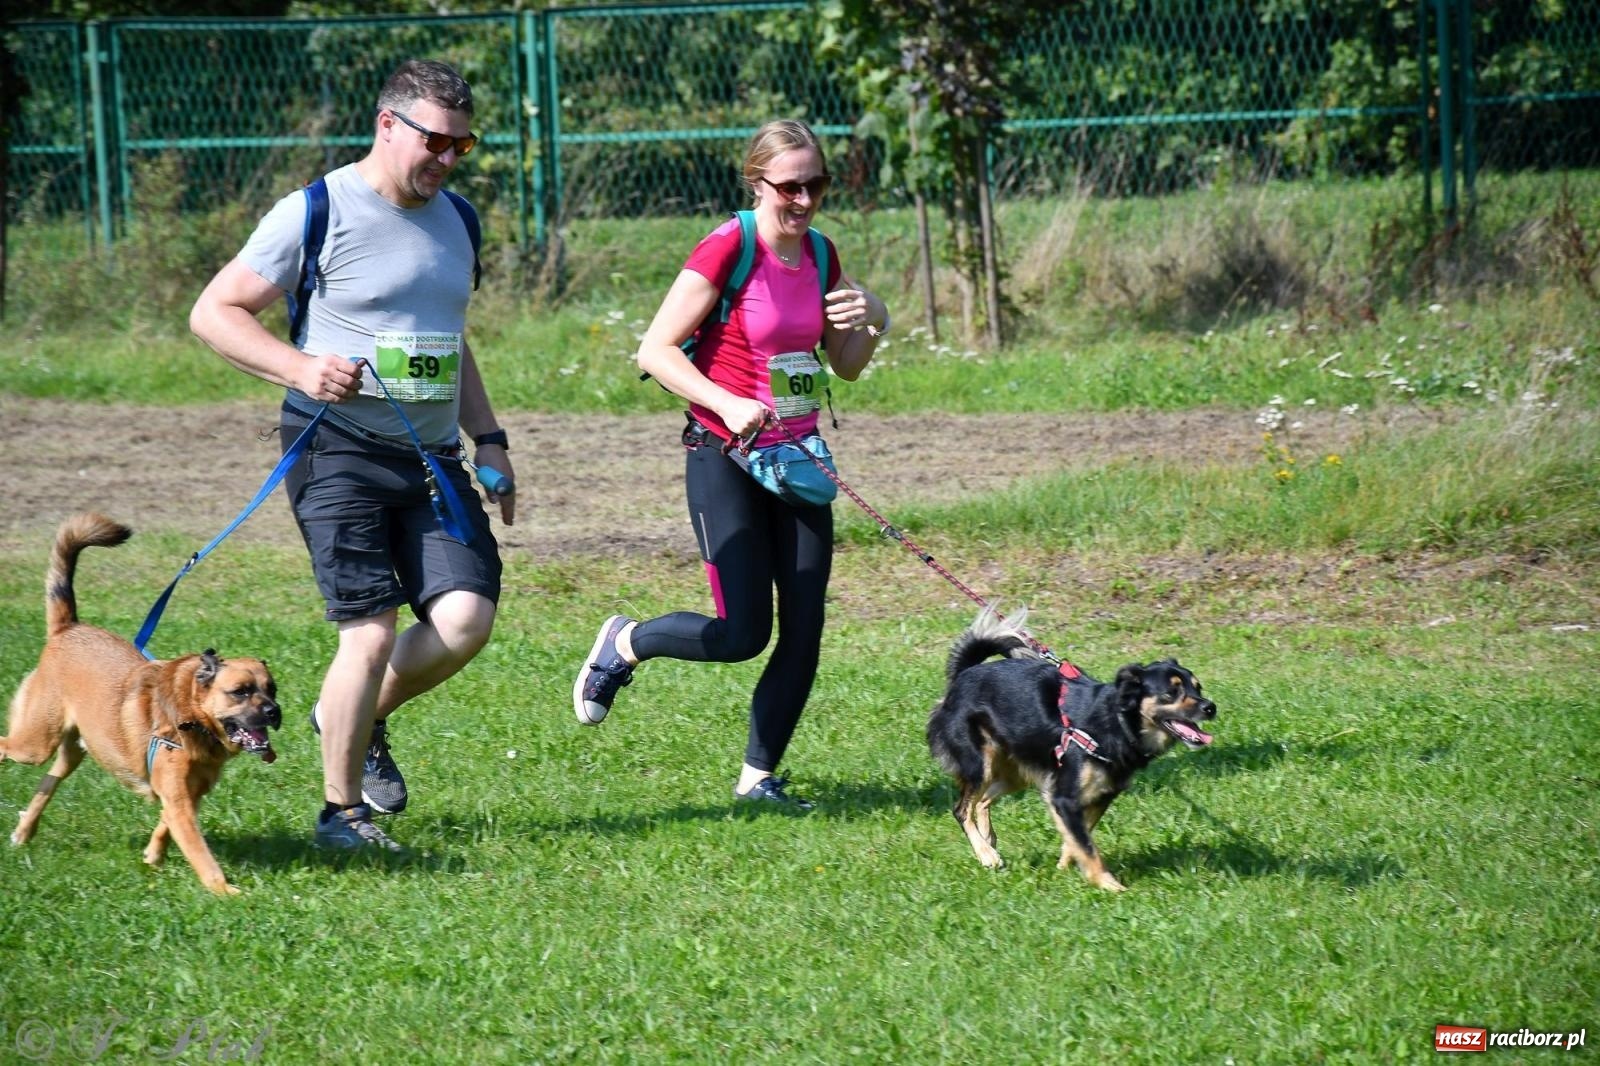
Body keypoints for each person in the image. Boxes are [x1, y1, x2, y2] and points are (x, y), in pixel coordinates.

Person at [189, 59, 514, 851]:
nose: (445, 158)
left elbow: (449, 341)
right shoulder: (316, 209)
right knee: (366, 636)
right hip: (335, 448)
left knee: (467, 620)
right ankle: (341, 816)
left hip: (431, 458)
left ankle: (351, 713)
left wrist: (491, 436)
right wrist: (301, 366)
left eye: (461, 147)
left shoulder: (459, 220)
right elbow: (214, 311)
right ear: (387, 124)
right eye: (434, 141)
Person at [572, 119, 889, 809]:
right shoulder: (729, 245)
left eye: (817, 185)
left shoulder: (823, 255)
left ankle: (758, 780)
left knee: (804, 629)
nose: (804, 201)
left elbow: (846, 366)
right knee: (744, 632)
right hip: (726, 454)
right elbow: (655, 350)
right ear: (757, 182)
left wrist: (877, 320)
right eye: (790, 187)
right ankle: (628, 643)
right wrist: (725, 401)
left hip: (799, 460)